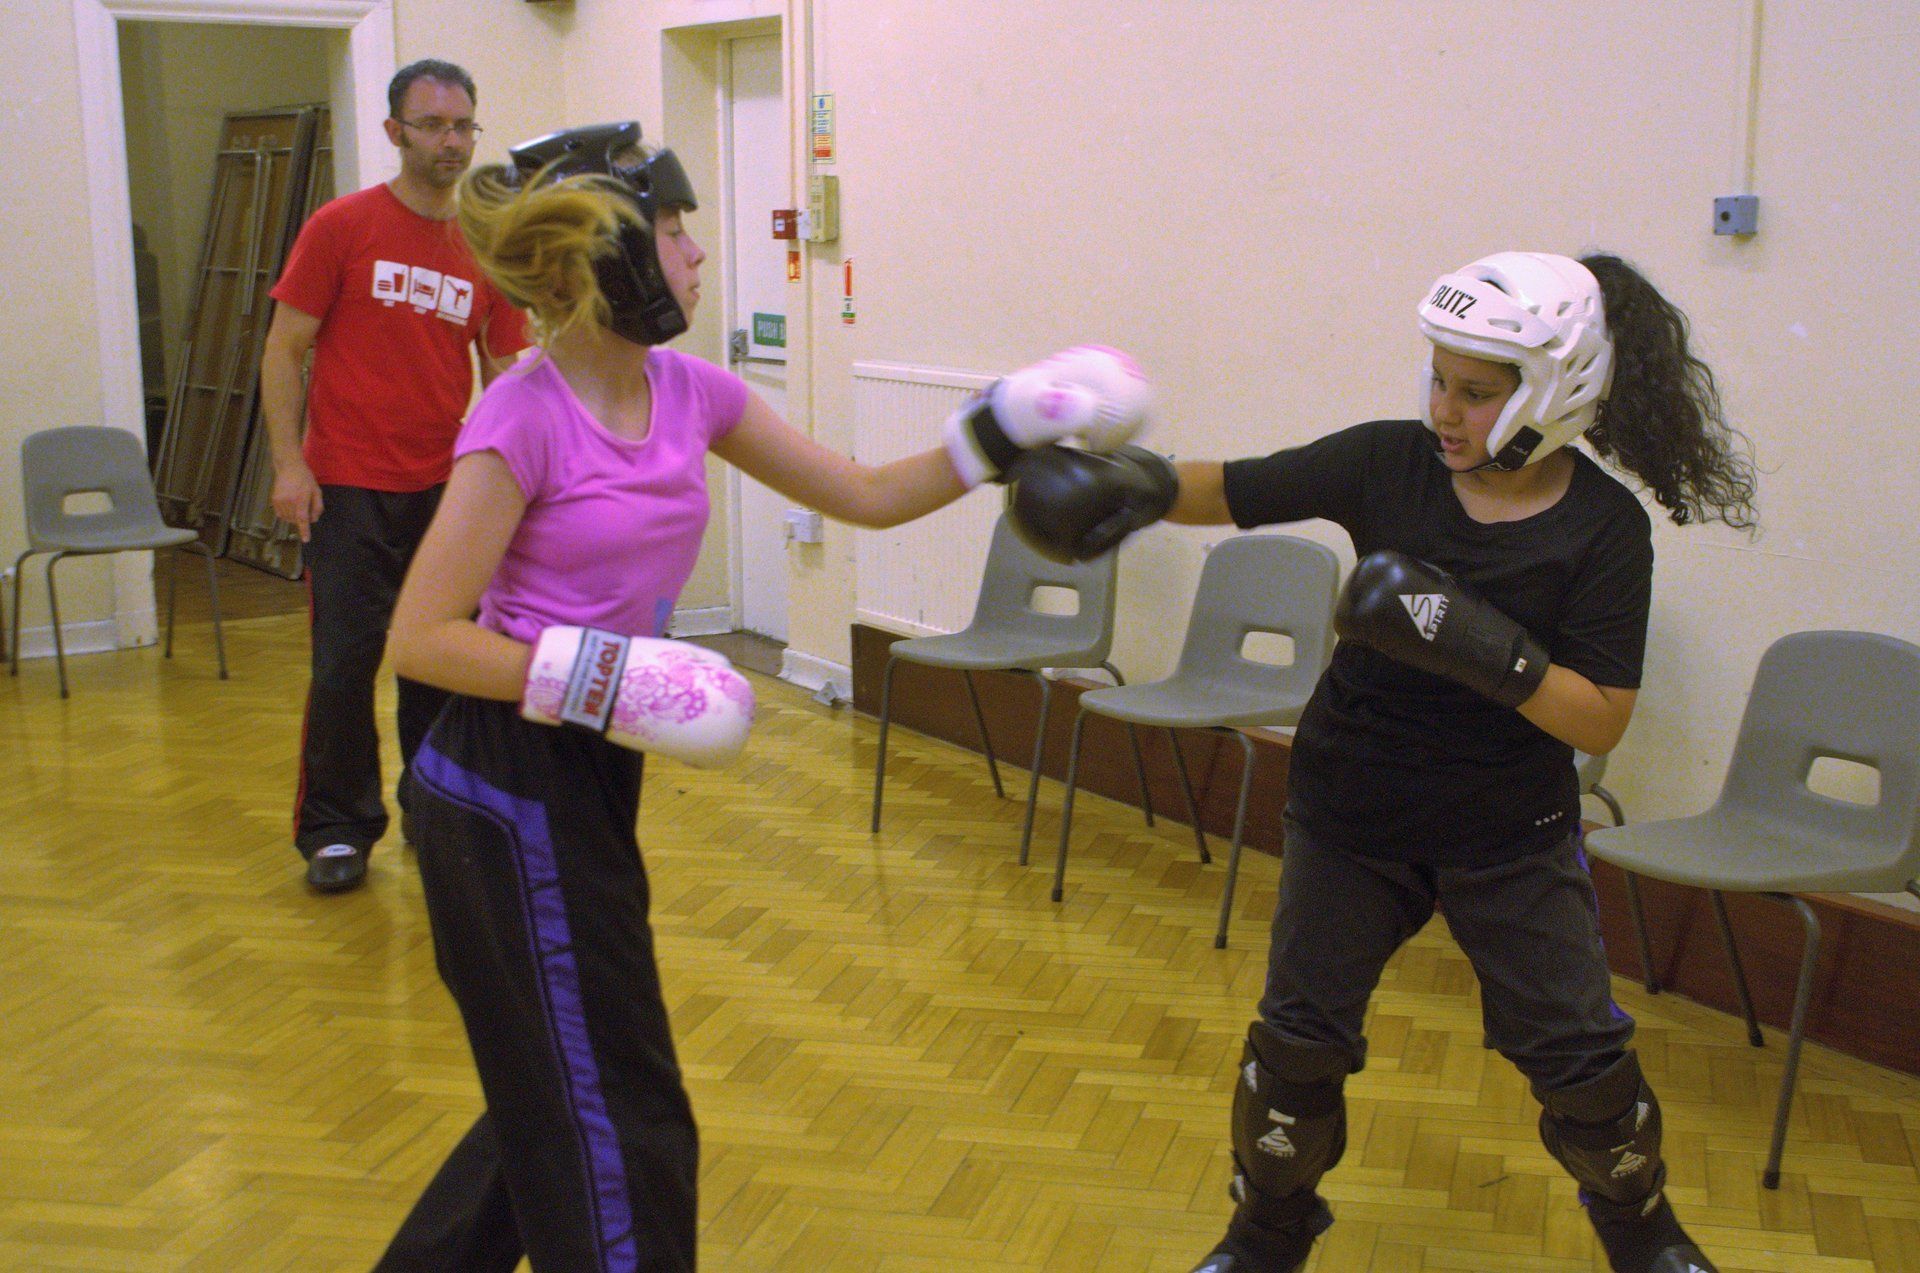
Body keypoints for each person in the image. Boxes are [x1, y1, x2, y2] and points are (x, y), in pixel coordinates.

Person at [373, 120, 1152, 1271]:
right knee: (620, 1114)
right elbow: (421, 637)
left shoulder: (692, 393)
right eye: (673, 230)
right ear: (606, 255)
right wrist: (604, 674)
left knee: (554, 1088)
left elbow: (866, 493)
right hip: (500, 784)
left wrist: (1000, 426)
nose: (695, 254)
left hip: (585, 764)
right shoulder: (523, 416)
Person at [1006, 251, 1756, 1273]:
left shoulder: (1604, 528)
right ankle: (1264, 1236)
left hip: (1508, 834)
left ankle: (1646, 1236)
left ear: (1551, 395)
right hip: (1349, 814)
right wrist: (1129, 487)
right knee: (1295, 1050)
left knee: (1583, 1064)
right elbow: (1236, 488)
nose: (1444, 408)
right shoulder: (1387, 462)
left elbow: (1600, 720)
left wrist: (1470, 638)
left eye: (1475, 391)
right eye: (1439, 378)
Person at [261, 58, 531, 894]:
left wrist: (522, 482)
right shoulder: (342, 227)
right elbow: (284, 348)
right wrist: (289, 463)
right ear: (395, 132)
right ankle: (336, 830)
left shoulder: (485, 245)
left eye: (463, 126)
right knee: (344, 666)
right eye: (433, 125)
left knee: (441, 660)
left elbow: (508, 371)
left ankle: (434, 805)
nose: (452, 141)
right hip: (346, 484)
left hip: (447, 490)